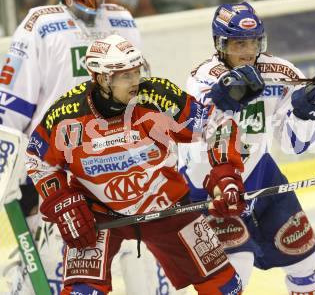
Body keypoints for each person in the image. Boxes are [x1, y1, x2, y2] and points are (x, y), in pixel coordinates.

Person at [25, 34, 254, 294]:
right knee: (81, 292)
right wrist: (61, 200)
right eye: (125, 76)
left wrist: (224, 174)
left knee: (224, 288)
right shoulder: (66, 116)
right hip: (98, 215)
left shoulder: (158, 97)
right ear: (102, 79)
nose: (135, 82)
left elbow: (218, 125)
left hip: (166, 208)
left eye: (136, 71)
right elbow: (36, 158)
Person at [179, 2, 315, 294]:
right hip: (211, 186)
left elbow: (295, 145)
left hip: (261, 176)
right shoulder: (203, 76)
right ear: (220, 44)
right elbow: (195, 132)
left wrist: (310, 109)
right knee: (236, 270)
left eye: (253, 42)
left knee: (306, 262)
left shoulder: (280, 73)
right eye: (238, 43)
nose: (247, 51)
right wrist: (224, 97)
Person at [0, 0, 147, 293]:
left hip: (117, 166)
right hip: (58, 169)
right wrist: (12, 169)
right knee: (56, 263)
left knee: (141, 258)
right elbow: (13, 103)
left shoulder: (123, 21)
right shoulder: (41, 24)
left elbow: (140, 95)